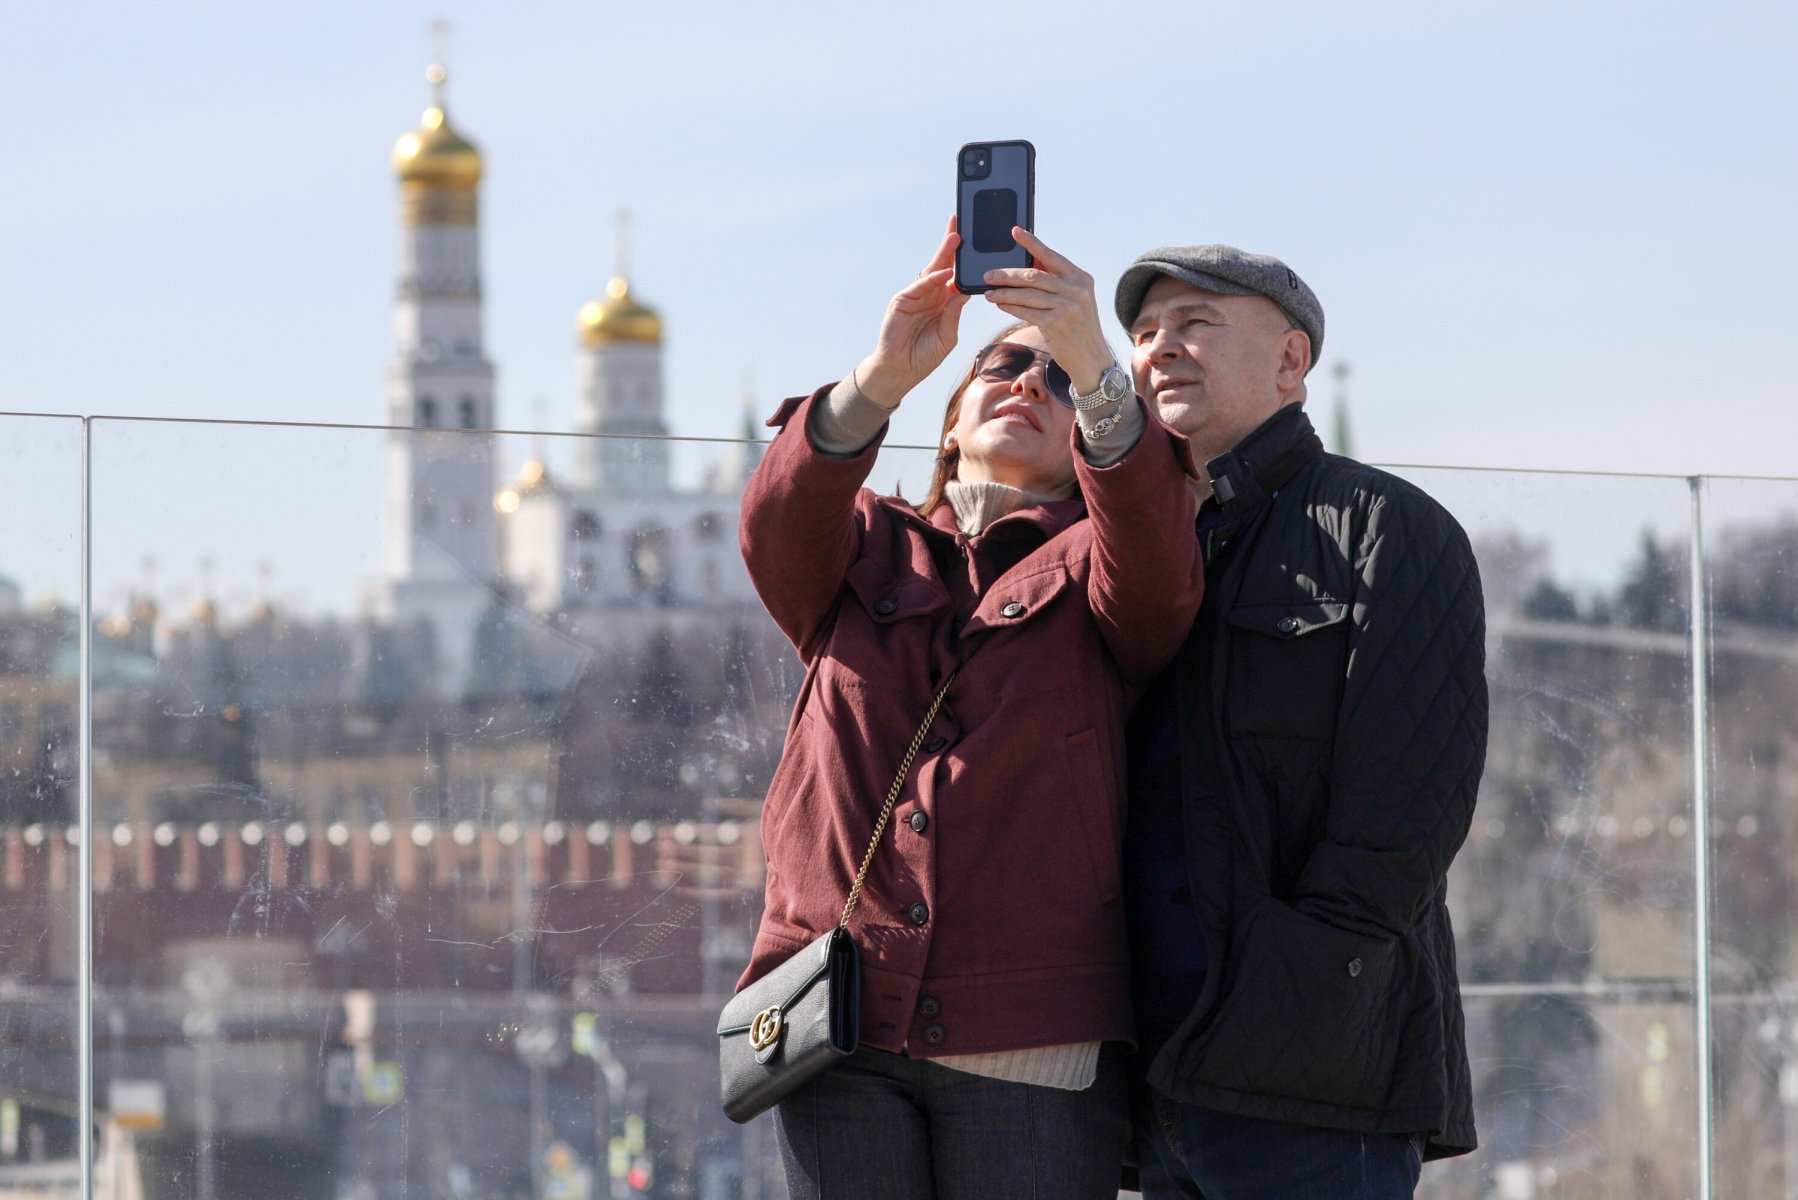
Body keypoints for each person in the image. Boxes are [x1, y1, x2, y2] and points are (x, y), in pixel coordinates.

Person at [735, 221, 1203, 1199]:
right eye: (1003, 366)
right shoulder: (862, 548)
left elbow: (1158, 566)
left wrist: (1098, 363)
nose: (1030, 383)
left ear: (1089, 446)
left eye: (1059, 381)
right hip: (838, 1019)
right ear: (948, 423)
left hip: (1030, 1042)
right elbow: (776, 520)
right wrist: (881, 374)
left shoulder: (1107, 566)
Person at [1104, 245, 1489, 1198]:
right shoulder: (1115, 550)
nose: (1161, 352)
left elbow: (1405, 816)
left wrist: (1296, 993)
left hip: (1310, 1079)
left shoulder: (1390, 529)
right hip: (1146, 1066)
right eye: (1144, 334)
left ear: (1290, 363)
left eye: (1196, 323)